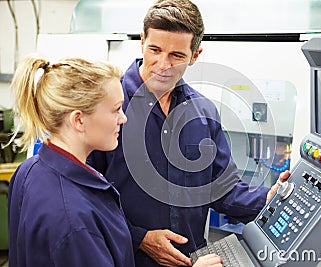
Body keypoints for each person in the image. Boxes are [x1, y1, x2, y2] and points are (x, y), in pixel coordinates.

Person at [88, 0, 290, 266]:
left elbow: (222, 188)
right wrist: (139, 237)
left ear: (195, 55)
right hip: (127, 258)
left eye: (177, 55)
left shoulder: (203, 112)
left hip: (193, 260)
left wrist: (267, 199)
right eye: (155, 50)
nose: (162, 64)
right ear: (142, 42)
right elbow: (85, 197)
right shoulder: (106, 106)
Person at [7, 55, 223, 267]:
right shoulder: (74, 218)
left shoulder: (28, 171)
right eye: (116, 109)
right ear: (79, 119)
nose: (123, 118)